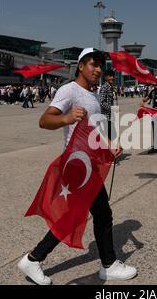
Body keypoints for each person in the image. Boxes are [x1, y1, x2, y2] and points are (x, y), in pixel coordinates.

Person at [17, 48, 137, 285]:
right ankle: (37, 259)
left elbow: (93, 130)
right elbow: (44, 120)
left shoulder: (93, 95)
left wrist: (109, 144)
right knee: (91, 215)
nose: (98, 70)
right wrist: (66, 118)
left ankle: (37, 259)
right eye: (93, 64)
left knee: (95, 214)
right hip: (77, 166)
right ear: (80, 66)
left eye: (101, 66)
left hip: (89, 164)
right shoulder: (69, 90)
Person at [99, 69, 117, 142]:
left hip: (110, 115)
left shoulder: (110, 87)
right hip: (105, 115)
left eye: (113, 76)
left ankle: (110, 151)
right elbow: (101, 101)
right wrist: (111, 108)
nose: (112, 78)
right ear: (106, 77)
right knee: (108, 135)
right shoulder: (104, 87)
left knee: (111, 135)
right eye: (110, 76)